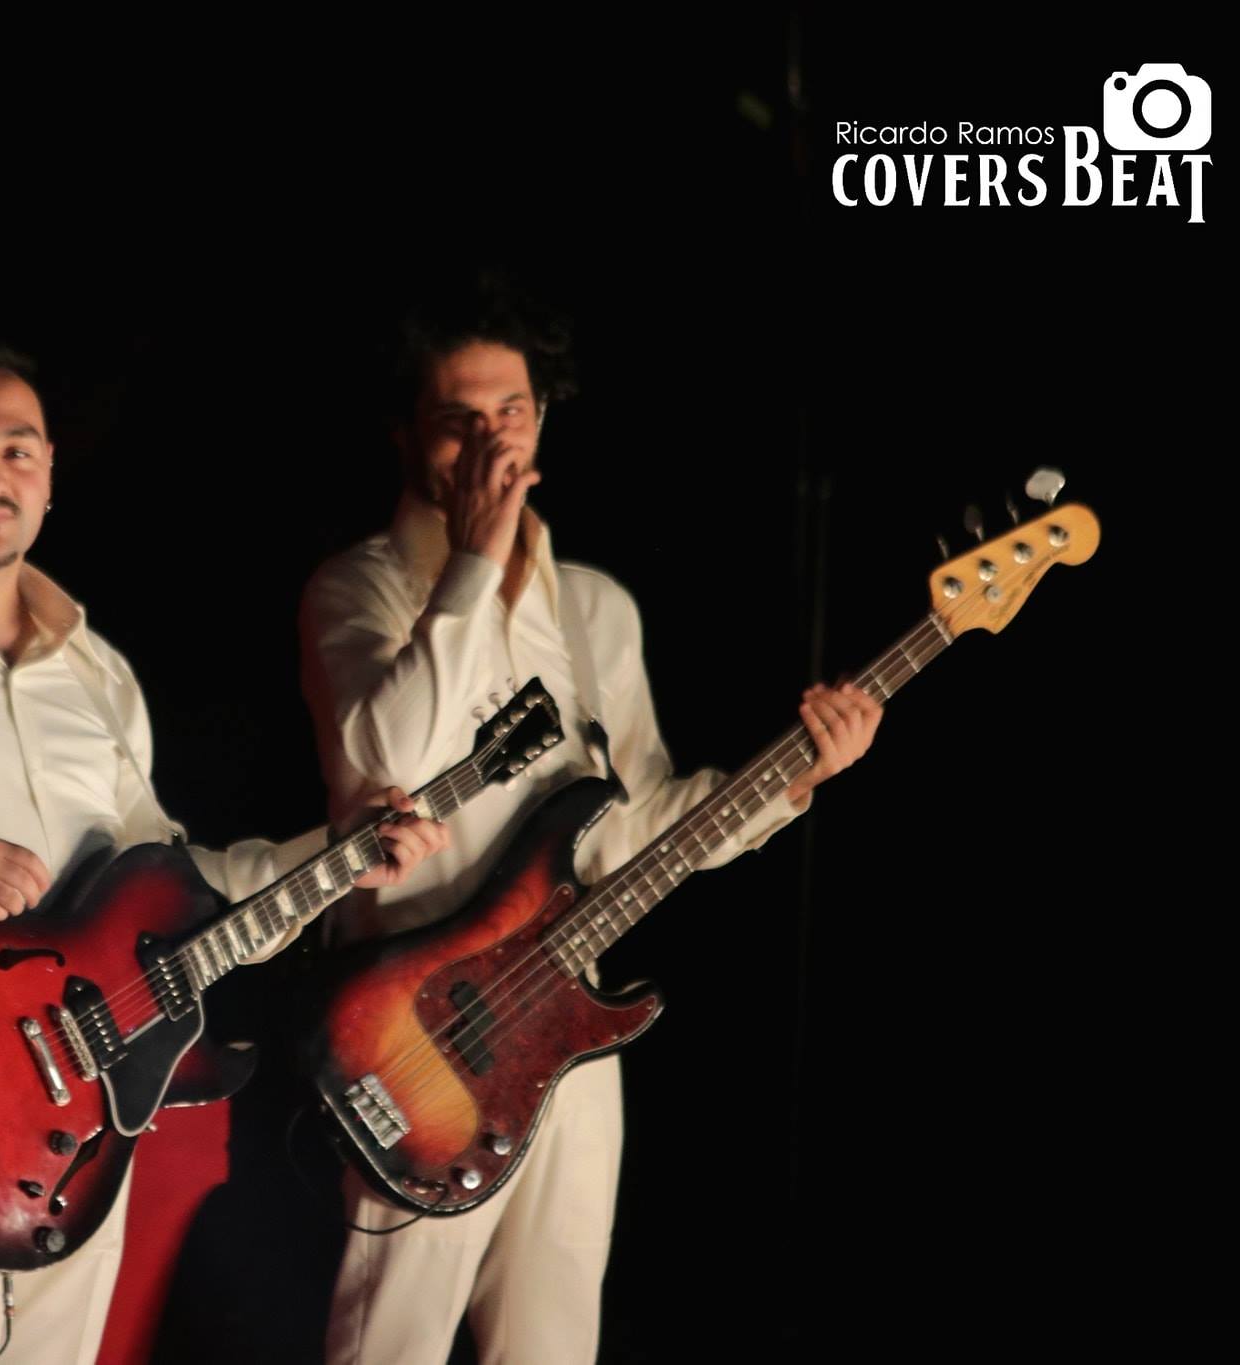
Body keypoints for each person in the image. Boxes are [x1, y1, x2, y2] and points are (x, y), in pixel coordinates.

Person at [298, 293, 883, 1362]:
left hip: (563, 1024)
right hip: (414, 1032)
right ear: (404, 432)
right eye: (458, 419)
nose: (492, 444)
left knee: (555, 1338)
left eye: (511, 413)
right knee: (391, 1340)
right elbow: (384, 760)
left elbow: (630, 829)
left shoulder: (593, 606)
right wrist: (474, 564)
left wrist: (793, 779)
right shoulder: (356, 587)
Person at [0, 344, 448, 1365]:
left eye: (16, 450)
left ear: (50, 469)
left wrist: (335, 855)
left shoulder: (98, 676)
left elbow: (174, 889)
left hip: (71, 1145)